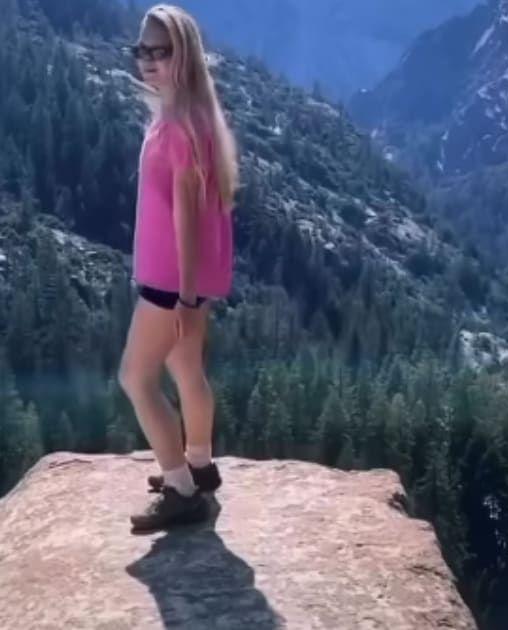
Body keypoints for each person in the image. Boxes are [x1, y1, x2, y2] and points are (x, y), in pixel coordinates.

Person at [119, 4, 238, 533]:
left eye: (159, 52)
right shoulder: (198, 119)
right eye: (141, 50)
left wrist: (185, 299)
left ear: (183, 57)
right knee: (186, 369)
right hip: (189, 279)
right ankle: (199, 463)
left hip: (170, 282)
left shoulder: (174, 129)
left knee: (136, 379)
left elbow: (187, 220)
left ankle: (179, 488)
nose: (147, 61)